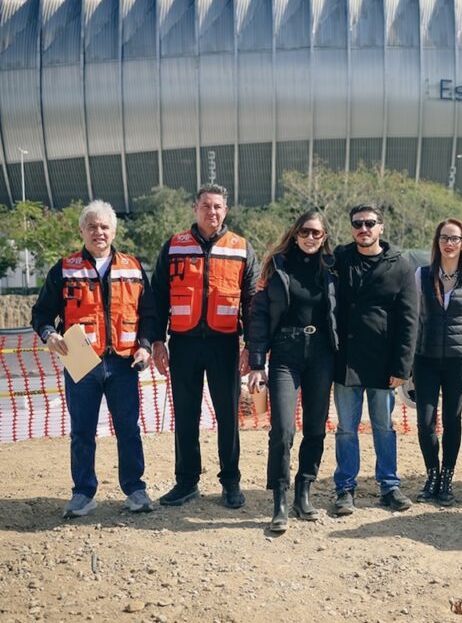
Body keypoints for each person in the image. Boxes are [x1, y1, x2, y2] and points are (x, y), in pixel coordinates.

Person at [31, 200, 157, 518]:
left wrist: (145, 345)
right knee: (82, 432)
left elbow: (149, 314)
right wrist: (49, 334)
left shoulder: (133, 267)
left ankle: (135, 489)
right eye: (92, 226)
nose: (98, 232)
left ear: (113, 231)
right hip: (80, 360)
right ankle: (83, 493)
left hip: (124, 362)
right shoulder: (63, 269)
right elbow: (41, 313)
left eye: (104, 226)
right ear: (82, 231)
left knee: (128, 429)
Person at [152, 183, 259, 509]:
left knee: (228, 416)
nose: (212, 211)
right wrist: (157, 340)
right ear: (195, 208)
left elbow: (252, 304)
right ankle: (186, 482)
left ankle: (231, 482)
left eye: (217, 206)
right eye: (206, 206)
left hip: (224, 344)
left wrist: (250, 347)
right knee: (186, 415)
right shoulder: (174, 246)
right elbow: (158, 297)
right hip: (183, 343)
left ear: (226, 210)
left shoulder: (241, 248)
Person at [246, 212, 339, 532]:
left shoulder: (333, 269)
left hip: (322, 355)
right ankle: (280, 501)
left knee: (315, 428)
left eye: (316, 233)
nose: (310, 237)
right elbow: (259, 315)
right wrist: (257, 362)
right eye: (305, 231)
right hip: (286, 353)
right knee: (283, 430)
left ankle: (303, 492)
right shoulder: (277, 265)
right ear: (295, 233)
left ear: (325, 237)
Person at [332, 204, 418, 514]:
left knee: (383, 426)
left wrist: (402, 367)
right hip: (346, 361)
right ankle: (345, 488)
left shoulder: (400, 265)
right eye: (357, 224)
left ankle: (389, 486)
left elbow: (409, 320)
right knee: (346, 428)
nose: (363, 229)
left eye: (370, 223)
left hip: (384, 363)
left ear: (381, 227)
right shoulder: (339, 259)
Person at [412, 218, 462, 507]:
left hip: (459, 359)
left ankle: (447, 478)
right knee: (425, 421)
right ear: (437, 242)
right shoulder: (422, 274)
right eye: (444, 237)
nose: (449, 243)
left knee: (452, 421)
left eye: (455, 238)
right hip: (425, 358)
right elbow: (414, 318)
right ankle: (432, 474)